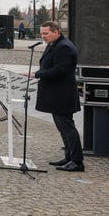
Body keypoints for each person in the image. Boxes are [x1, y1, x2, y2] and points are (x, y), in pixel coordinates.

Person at [24, 21, 84, 172]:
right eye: (42, 34)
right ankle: (69, 157)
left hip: (62, 94)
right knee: (62, 128)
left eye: (46, 33)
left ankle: (77, 161)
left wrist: (36, 74)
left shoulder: (64, 47)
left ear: (56, 32)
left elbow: (60, 70)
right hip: (56, 94)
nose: (43, 36)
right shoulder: (54, 44)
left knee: (67, 128)